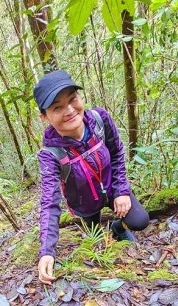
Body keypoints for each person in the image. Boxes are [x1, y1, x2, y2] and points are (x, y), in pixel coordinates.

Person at [34, 70, 150, 284]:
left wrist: (122, 190)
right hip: (84, 204)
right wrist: (47, 251)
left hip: (112, 188)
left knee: (140, 220)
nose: (69, 110)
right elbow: (49, 202)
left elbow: (117, 153)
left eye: (72, 99)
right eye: (57, 107)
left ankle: (118, 227)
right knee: (95, 236)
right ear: (44, 116)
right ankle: (105, 229)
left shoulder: (99, 120)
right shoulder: (51, 154)